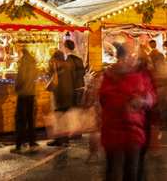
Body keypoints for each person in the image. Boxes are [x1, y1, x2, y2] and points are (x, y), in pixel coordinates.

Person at [99, 42, 156, 181]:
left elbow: (151, 95)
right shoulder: (110, 75)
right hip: (113, 131)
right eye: (131, 55)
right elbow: (105, 98)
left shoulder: (142, 75)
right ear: (121, 57)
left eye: (135, 55)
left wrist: (145, 101)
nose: (133, 59)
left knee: (132, 172)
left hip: (134, 133)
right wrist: (127, 101)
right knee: (114, 172)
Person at [47, 38, 85, 146]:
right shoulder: (76, 60)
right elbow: (80, 74)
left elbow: (56, 80)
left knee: (60, 116)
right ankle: (67, 137)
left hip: (63, 94)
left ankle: (61, 139)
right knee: (68, 114)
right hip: (74, 90)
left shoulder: (67, 62)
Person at [11, 47, 39, 154]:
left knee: (20, 120)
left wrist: (16, 88)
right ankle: (32, 142)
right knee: (30, 119)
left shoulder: (23, 63)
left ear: (22, 53)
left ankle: (18, 145)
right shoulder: (33, 63)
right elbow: (36, 75)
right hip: (31, 93)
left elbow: (20, 79)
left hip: (23, 94)